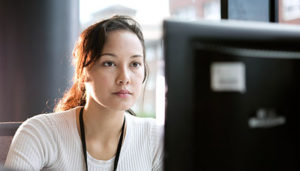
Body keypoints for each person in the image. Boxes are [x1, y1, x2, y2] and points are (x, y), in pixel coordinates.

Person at [4, 15, 164, 171]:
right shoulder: (40, 133)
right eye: (109, 63)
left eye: (135, 64)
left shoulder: (155, 138)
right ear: (83, 72)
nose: (124, 78)